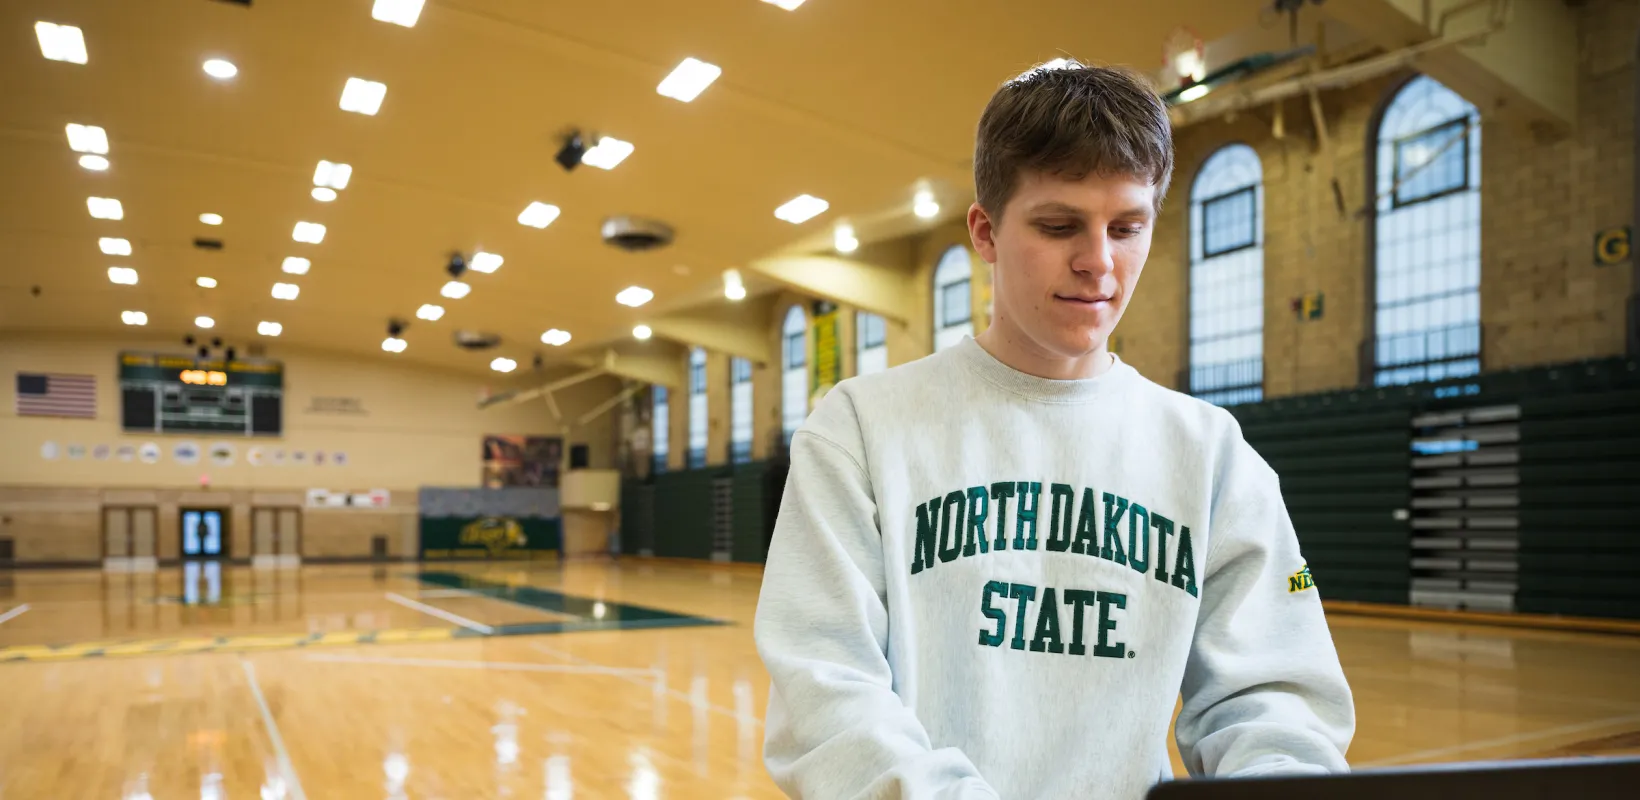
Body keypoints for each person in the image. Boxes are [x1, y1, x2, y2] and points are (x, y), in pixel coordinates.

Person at [753, 60, 1355, 799]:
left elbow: (1275, 694)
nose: (1098, 262)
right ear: (986, 232)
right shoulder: (858, 429)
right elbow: (827, 694)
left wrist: (1281, 779)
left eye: (1127, 227)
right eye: (1059, 224)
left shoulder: (1214, 455)